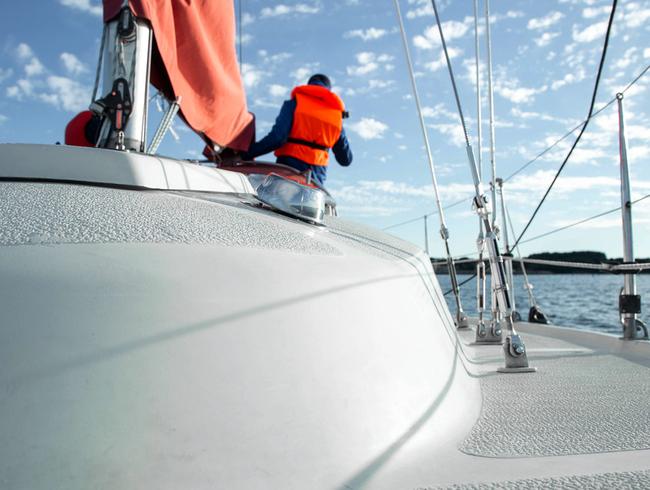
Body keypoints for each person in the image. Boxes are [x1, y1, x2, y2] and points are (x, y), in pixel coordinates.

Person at [242, 74, 352, 187]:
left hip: (287, 173)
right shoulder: (336, 117)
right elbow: (345, 160)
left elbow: (277, 138)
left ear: (310, 85)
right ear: (328, 90)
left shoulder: (294, 103)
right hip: (314, 182)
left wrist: (246, 154)